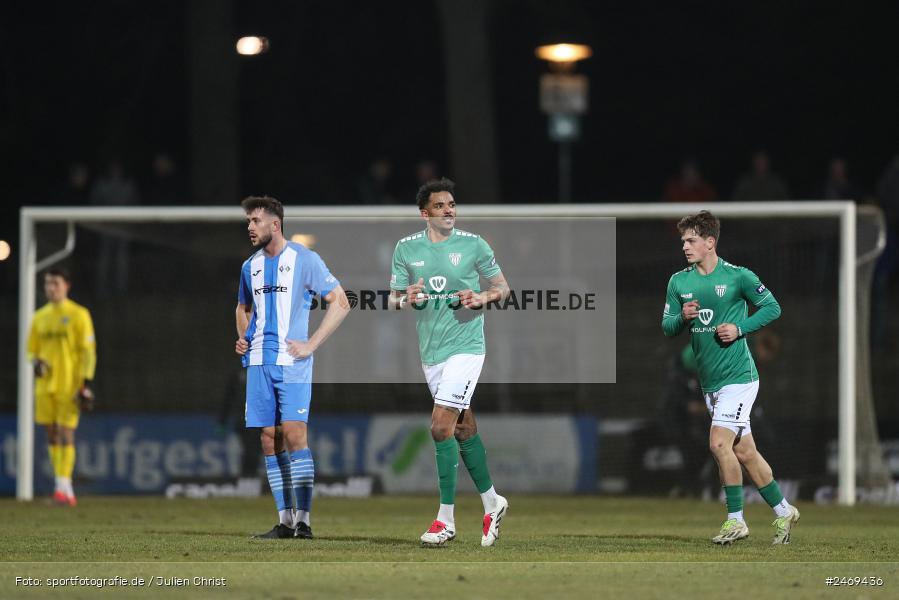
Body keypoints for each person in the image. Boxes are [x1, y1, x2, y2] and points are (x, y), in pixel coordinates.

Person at [661, 210, 800, 545]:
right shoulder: (679, 282)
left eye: (691, 240)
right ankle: (784, 511)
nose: (685, 246)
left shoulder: (739, 277)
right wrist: (681, 317)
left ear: (710, 242)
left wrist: (740, 328)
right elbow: (667, 329)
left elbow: (772, 307)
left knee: (718, 443)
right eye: (683, 241)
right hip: (711, 384)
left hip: (739, 378)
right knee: (745, 452)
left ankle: (735, 520)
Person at [388, 177, 510, 547]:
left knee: (440, 426)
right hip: (432, 352)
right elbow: (392, 299)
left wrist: (481, 298)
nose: (449, 210)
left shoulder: (474, 245)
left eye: (452, 204)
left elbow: (503, 289)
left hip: (467, 347)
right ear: (425, 213)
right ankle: (493, 502)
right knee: (462, 426)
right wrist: (404, 297)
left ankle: (446, 520)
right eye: (440, 206)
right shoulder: (405, 249)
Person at [234, 196, 350, 539]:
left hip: (293, 363)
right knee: (269, 439)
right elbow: (242, 308)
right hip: (258, 363)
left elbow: (341, 302)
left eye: (256, 221)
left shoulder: (304, 258)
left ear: (275, 224)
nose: (250, 228)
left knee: (296, 435)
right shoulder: (249, 266)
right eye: (248, 222)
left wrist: (311, 344)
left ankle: (304, 521)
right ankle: (285, 521)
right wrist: (243, 338)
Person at [27, 267, 96, 506]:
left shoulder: (79, 314)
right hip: (45, 386)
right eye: (47, 283)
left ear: (67, 285)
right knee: (52, 435)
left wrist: (85, 383)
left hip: (70, 384)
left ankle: (64, 487)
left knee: (67, 433)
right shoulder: (39, 316)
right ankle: (61, 486)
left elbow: (88, 352)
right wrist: (37, 363)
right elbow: (31, 351)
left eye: (55, 283)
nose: (50, 288)